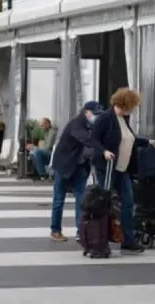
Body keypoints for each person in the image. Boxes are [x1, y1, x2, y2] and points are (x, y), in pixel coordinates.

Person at [90, 87, 153, 254]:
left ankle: (128, 241)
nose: (132, 110)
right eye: (131, 106)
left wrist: (147, 142)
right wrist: (103, 151)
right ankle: (101, 241)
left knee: (128, 202)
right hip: (107, 168)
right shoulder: (105, 118)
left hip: (123, 168)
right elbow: (93, 139)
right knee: (105, 203)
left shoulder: (124, 118)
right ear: (124, 104)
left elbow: (129, 139)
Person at [48, 101, 102, 242]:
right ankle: (55, 230)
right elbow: (86, 139)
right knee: (59, 199)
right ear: (86, 112)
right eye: (95, 114)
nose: (97, 117)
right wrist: (101, 146)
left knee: (81, 199)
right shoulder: (76, 124)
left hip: (80, 166)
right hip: (64, 165)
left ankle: (81, 231)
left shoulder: (92, 125)